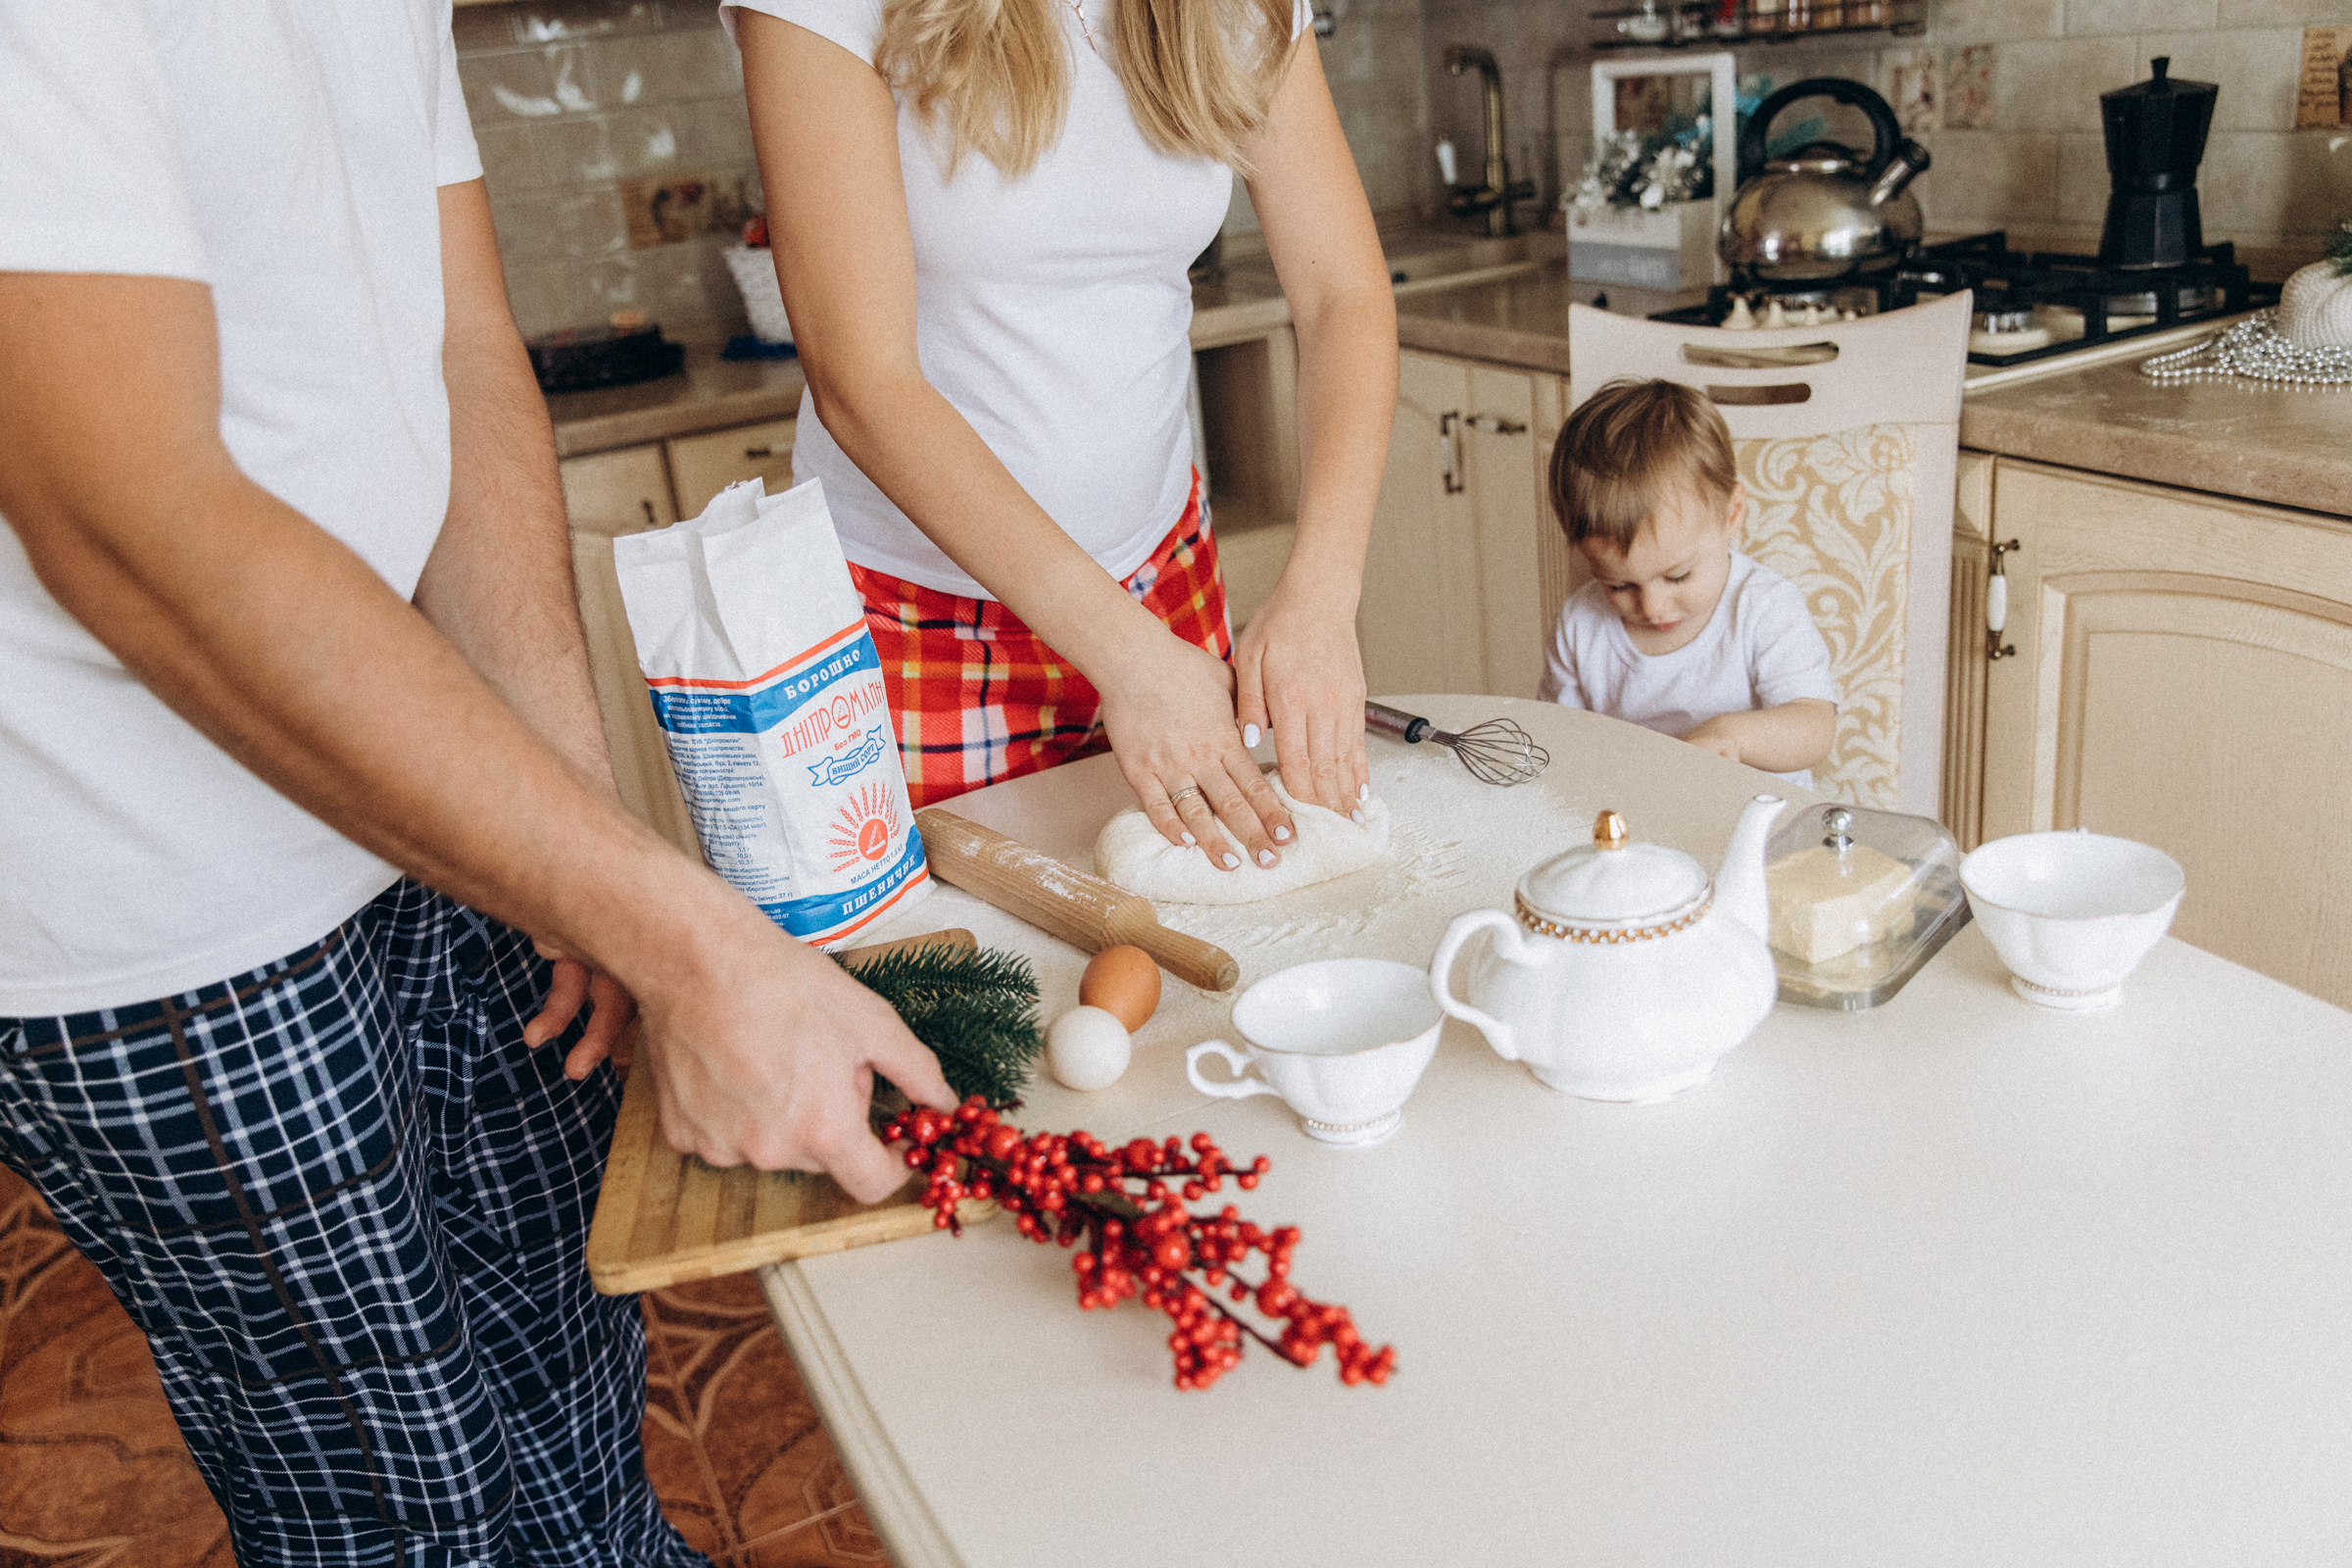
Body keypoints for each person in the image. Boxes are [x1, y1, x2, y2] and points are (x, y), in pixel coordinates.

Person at [0, 5, 952, 1563]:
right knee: (415, 1520)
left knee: (582, 1442)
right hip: (170, 910)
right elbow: (127, 517)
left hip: (454, 796)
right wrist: (684, 938)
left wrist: (575, 845)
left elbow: (461, 355)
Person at [727, 0, 1397, 876]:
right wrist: (1127, 659)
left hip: (1165, 587)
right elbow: (861, 381)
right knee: (957, 960)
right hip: (914, 630)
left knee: (1195, 949)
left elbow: (1343, 294)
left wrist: (1323, 592)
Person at [1540, 378, 1837, 788]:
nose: (1652, 607)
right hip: (1638, 812)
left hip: (1757, 817)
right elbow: (1558, 737)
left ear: (1731, 514)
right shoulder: (1580, 625)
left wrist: (1733, 736)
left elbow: (1815, 727)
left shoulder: (1764, 607)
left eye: (1677, 576)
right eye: (1619, 586)